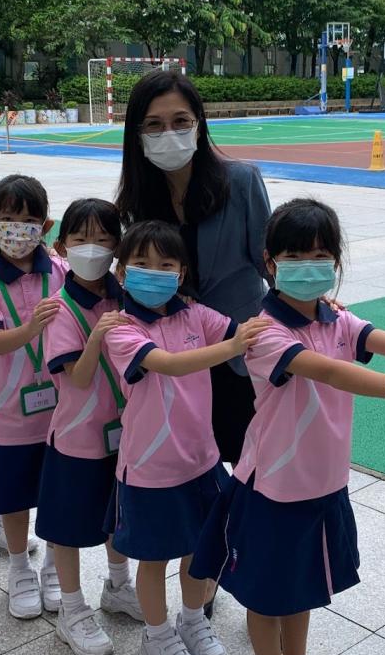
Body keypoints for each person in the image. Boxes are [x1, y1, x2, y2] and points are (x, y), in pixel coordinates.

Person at [191, 197, 385, 655]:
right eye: (294, 255)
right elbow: (328, 372)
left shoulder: (336, 318)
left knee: (304, 586)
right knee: (267, 596)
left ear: (335, 261)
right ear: (269, 262)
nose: (308, 265)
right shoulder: (262, 332)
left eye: (320, 255)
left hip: (325, 483)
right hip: (273, 487)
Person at [102, 220, 270, 655]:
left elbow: (245, 331)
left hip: (202, 460)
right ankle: (156, 638)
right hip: (149, 468)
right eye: (141, 263)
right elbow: (169, 365)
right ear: (121, 272)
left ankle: (193, 620)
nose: (153, 272)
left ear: (181, 273)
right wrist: (231, 347)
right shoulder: (121, 328)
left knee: (201, 550)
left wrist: (310, 313)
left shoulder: (195, 315)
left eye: (165, 264)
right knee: (154, 557)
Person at [115, 69, 270, 468]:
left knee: (249, 461)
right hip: (175, 356)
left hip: (238, 347)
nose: (169, 133)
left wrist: (307, 306)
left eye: (180, 121)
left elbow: (269, 263)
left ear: (199, 124)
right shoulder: (136, 199)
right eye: (154, 124)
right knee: (189, 462)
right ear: (137, 134)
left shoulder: (241, 182)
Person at [37, 197, 143, 655]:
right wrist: (98, 336)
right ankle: (71, 608)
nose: (93, 248)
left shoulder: (126, 295)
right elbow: (77, 379)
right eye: (81, 239)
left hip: (126, 433)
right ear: (62, 246)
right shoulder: (60, 308)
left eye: (103, 239)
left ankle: (118, 586)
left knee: (117, 515)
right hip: (78, 439)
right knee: (69, 525)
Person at [0, 175, 66, 620]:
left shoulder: (61, 271)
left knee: (59, 493)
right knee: (14, 497)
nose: (17, 229)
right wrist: (31, 328)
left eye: (28, 221)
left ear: (46, 227)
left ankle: (56, 566)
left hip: (62, 414)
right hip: (5, 414)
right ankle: (20, 567)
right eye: (8, 219)